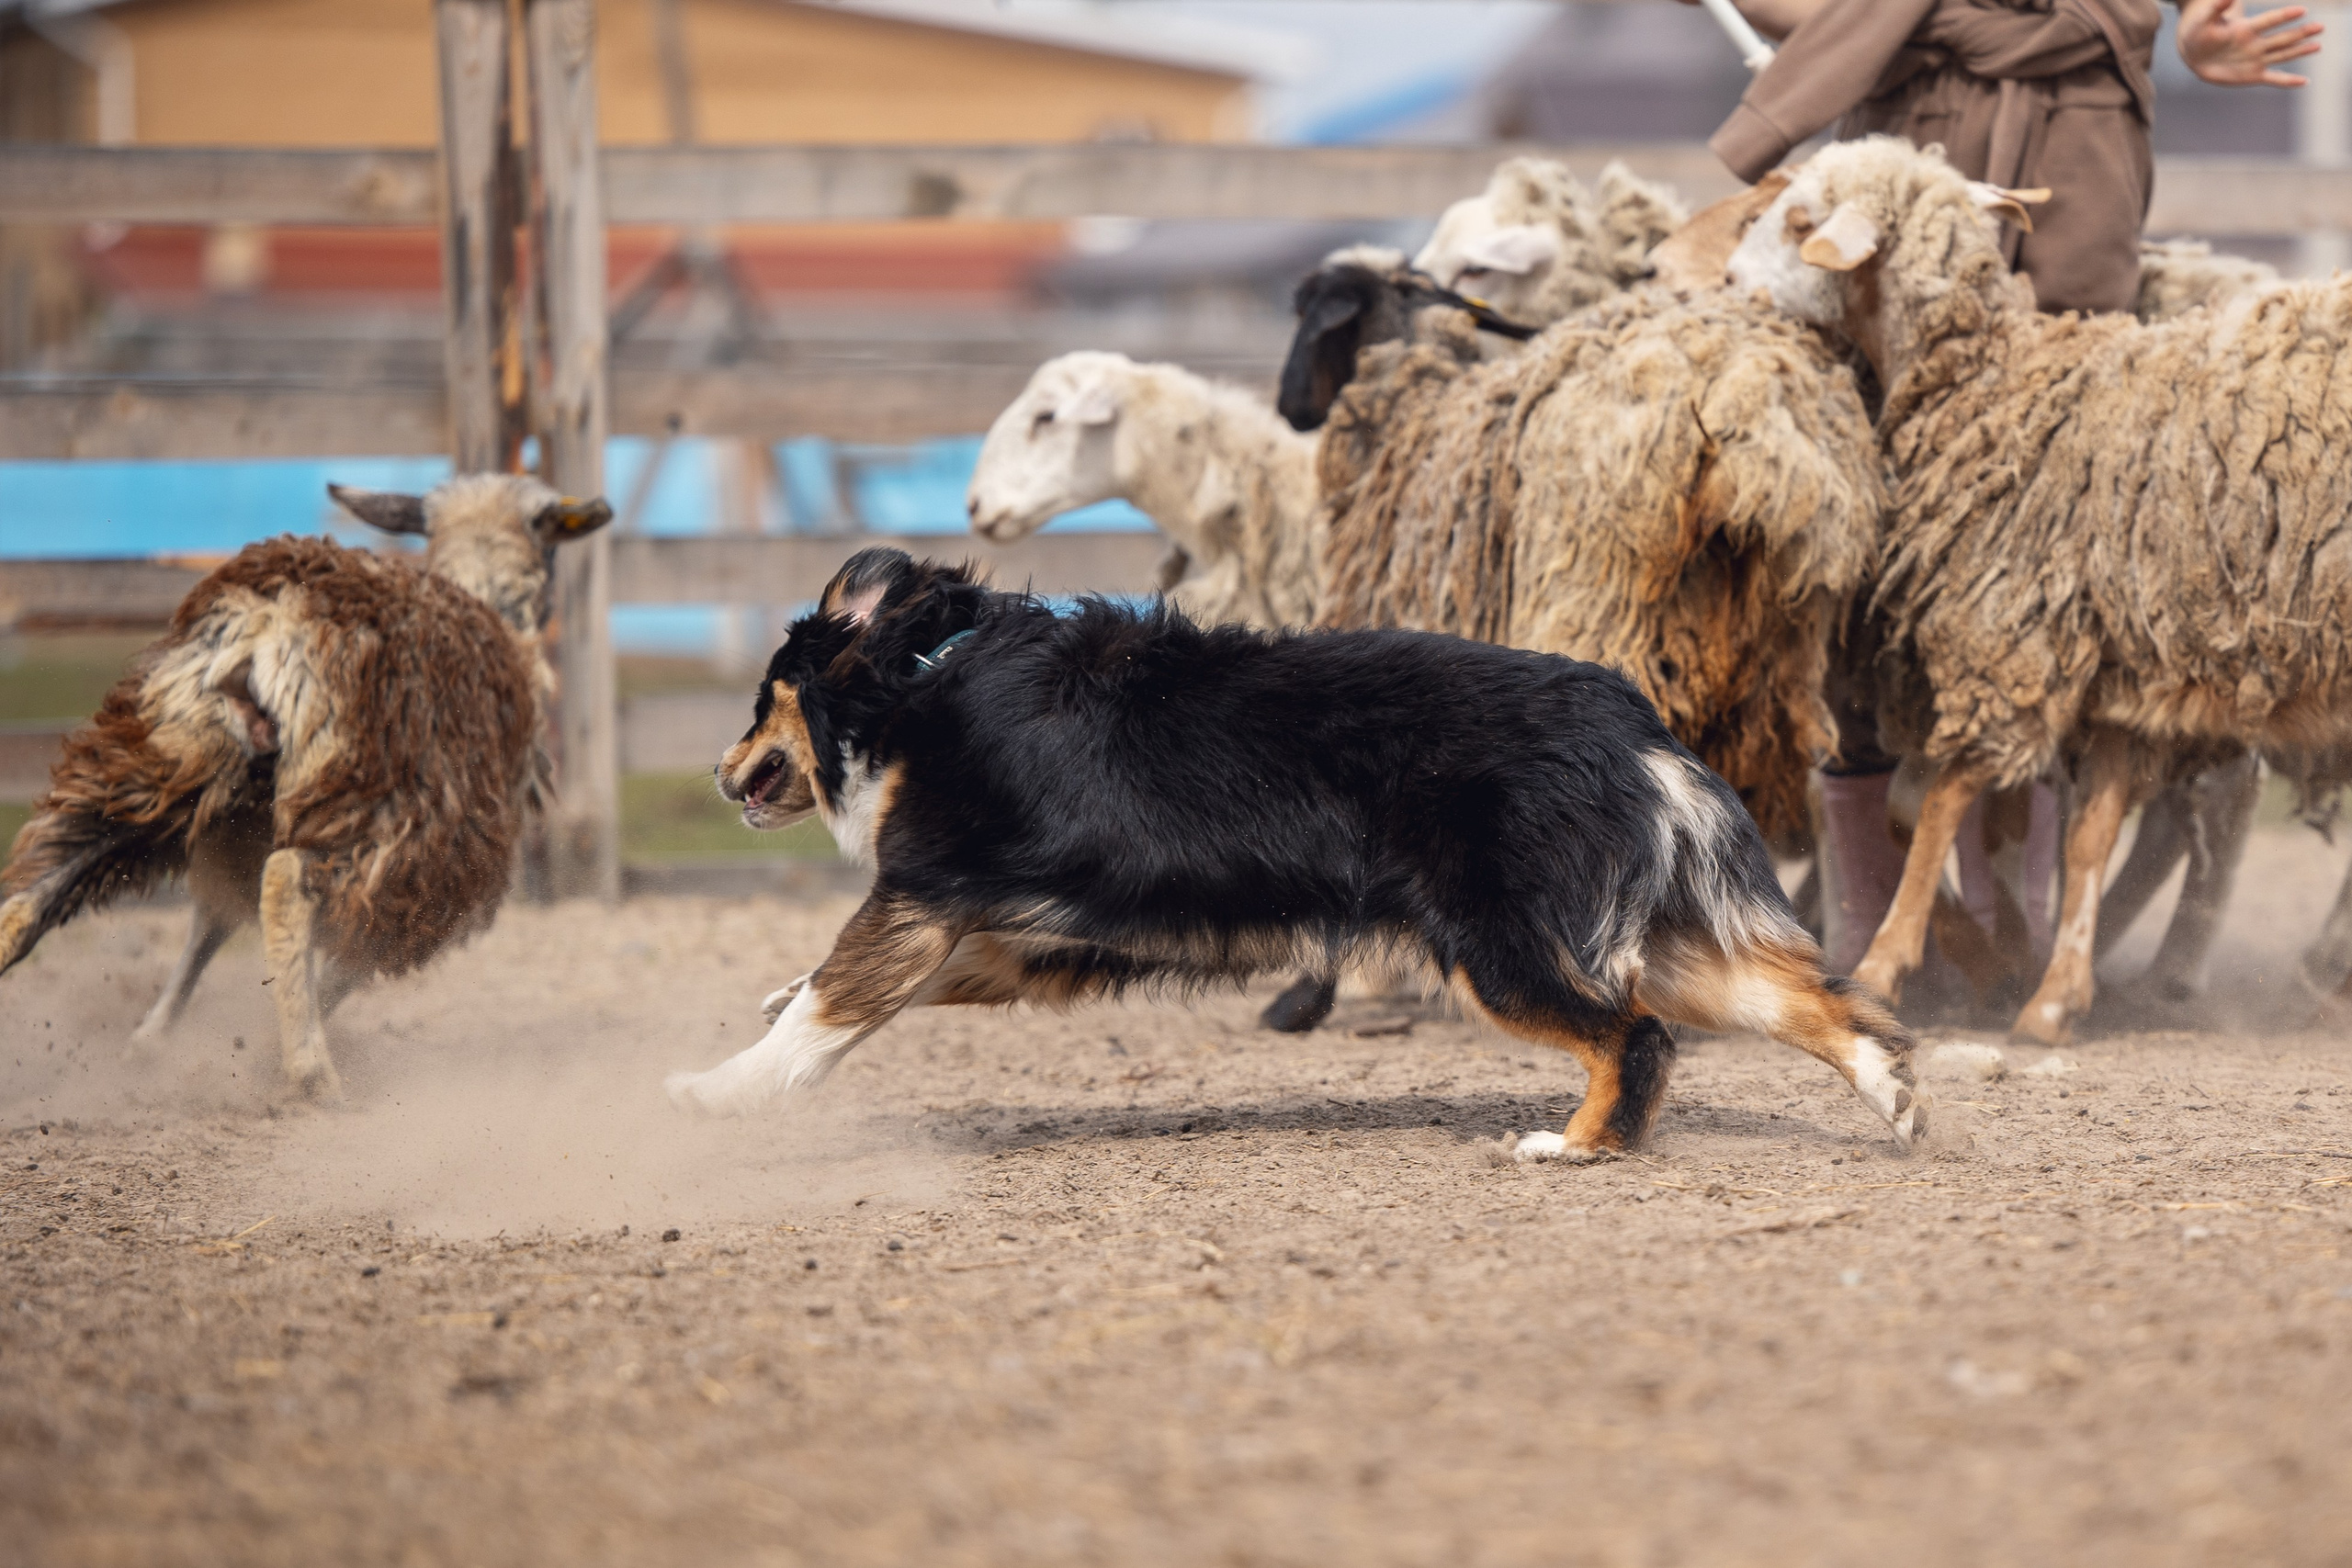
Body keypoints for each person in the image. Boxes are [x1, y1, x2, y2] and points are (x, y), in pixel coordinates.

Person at [1685, 0, 2322, 976]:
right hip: (1912, 147)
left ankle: (2014, 913)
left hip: (2080, 149)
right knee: (1875, 547)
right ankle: (1870, 907)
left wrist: (2194, 27)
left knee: (2063, 550)